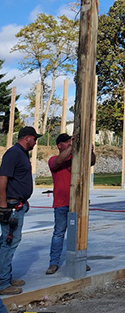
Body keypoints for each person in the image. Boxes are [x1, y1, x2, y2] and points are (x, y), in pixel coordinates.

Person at [46, 133, 95, 275]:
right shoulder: (53, 160)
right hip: (61, 203)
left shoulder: (76, 159)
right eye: (66, 142)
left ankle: (79, 260)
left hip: (77, 203)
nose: (69, 144)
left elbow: (91, 162)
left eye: (70, 141)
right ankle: (53, 263)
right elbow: (59, 162)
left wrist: (90, 151)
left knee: (78, 234)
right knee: (59, 233)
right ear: (59, 145)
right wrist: (72, 146)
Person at [0, 126, 41, 295]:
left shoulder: (22, 154)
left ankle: (6, 277)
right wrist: (3, 204)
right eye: (34, 139)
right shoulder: (13, 153)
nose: (36, 142)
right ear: (26, 138)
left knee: (9, 242)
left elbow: (18, 180)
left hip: (18, 203)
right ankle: (3, 284)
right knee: (9, 243)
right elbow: (3, 178)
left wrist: (24, 200)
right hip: (11, 206)